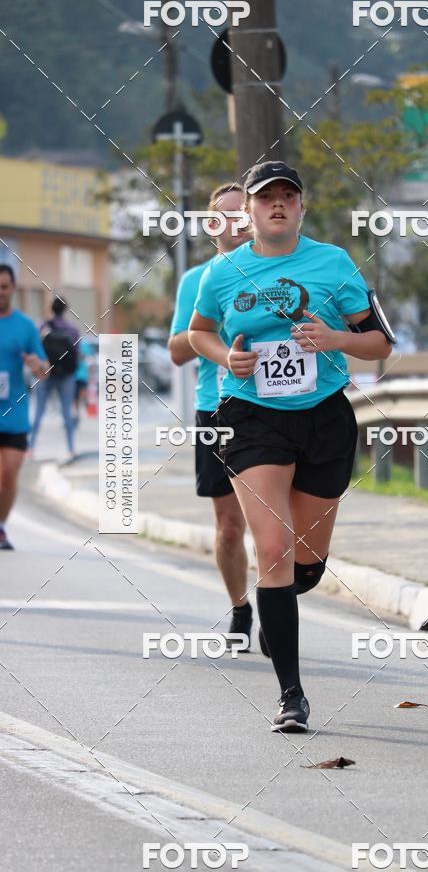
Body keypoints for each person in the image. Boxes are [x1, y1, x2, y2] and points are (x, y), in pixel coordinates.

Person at [188, 161, 394, 732]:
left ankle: (289, 595)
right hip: (251, 418)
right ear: (248, 212)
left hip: (324, 417)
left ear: (301, 208)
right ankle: (291, 697)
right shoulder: (223, 273)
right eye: (265, 198)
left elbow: (380, 344)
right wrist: (224, 356)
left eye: (287, 196)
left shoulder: (333, 263)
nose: (277, 204)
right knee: (273, 550)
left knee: (304, 565)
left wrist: (334, 339)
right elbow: (200, 332)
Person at [168, 182, 253, 648]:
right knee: (229, 524)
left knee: (275, 519)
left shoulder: (275, 272)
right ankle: (241, 606)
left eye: (243, 213)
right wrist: (211, 327)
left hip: (269, 407)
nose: (235, 222)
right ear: (210, 224)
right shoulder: (198, 280)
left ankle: (279, 602)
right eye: (225, 215)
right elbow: (178, 350)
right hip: (214, 408)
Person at [0, 263, 49, 550]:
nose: (0, 292)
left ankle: (2, 525)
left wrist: (37, 365)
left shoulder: (25, 326)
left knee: (8, 475)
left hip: (15, 415)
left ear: (12, 289)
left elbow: (45, 370)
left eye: (4, 287)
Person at [30, 296, 80, 461]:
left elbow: (35, 348)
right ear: (65, 309)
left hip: (46, 374)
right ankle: (71, 449)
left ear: (51, 308)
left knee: (38, 412)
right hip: (67, 376)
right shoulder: (72, 329)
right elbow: (76, 354)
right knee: (66, 412)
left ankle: (30, 448)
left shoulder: (44, 326)